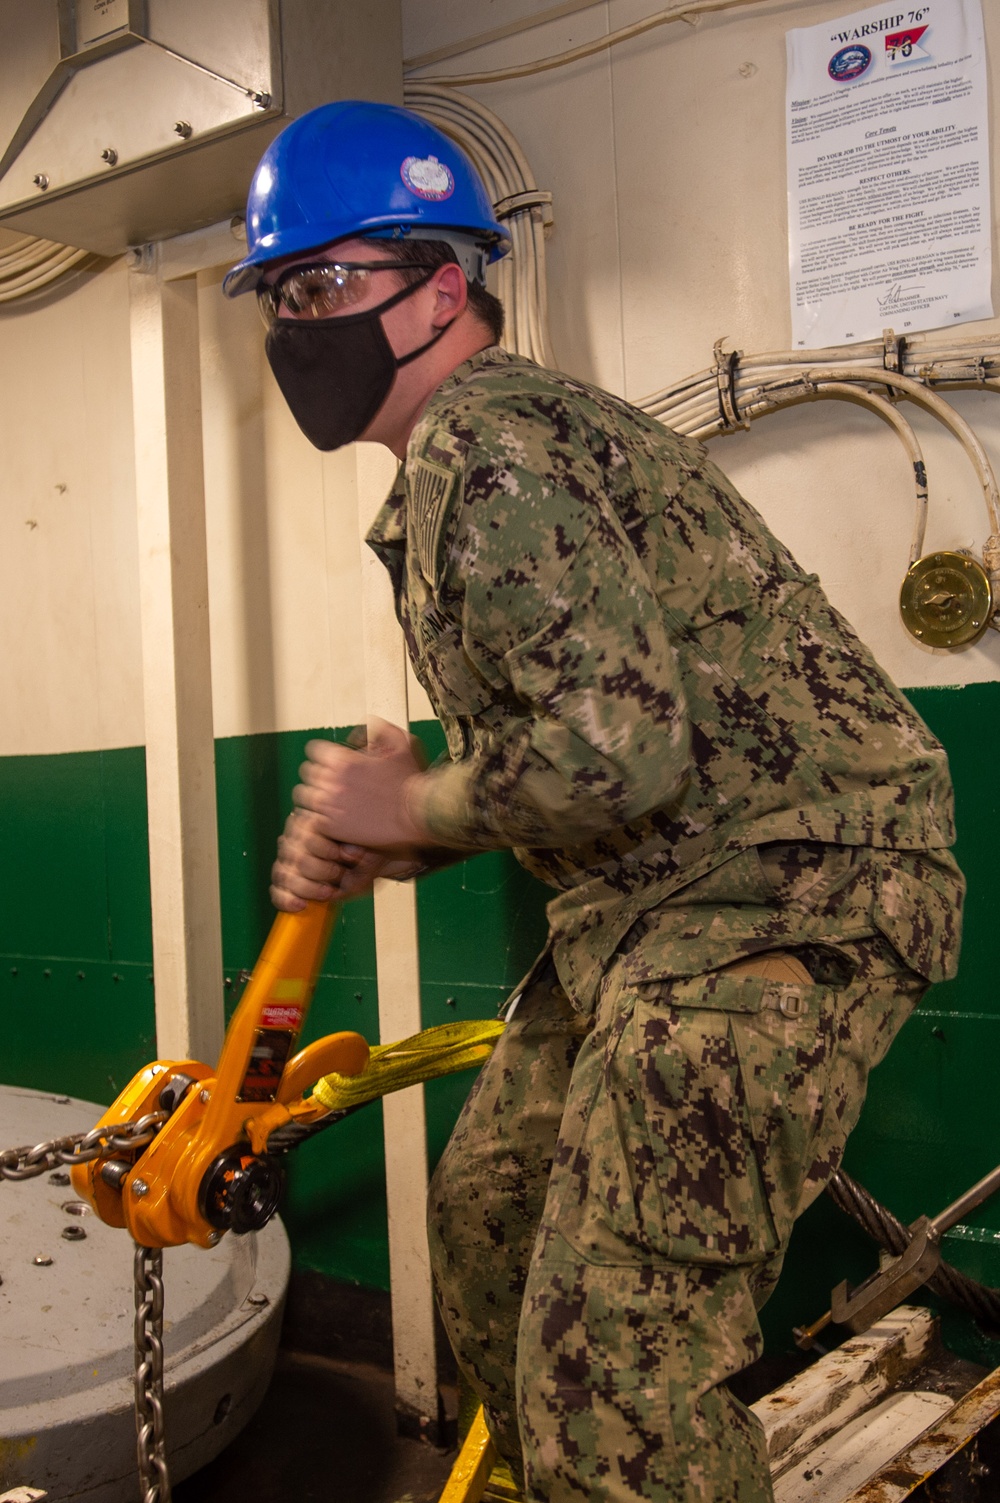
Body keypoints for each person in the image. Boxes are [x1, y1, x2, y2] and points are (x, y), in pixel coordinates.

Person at [224, 100, 964, 1503]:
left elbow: (618, 754)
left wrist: (412, 808)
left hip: (781, 893)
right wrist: (397, 826)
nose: (295, 322)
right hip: (651, 908)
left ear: (445, 289)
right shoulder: (483, 459)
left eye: (326, 281)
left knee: (618, 1375)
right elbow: (574, 767)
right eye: (278, 292)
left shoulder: (485, 442)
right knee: (495, 1223)